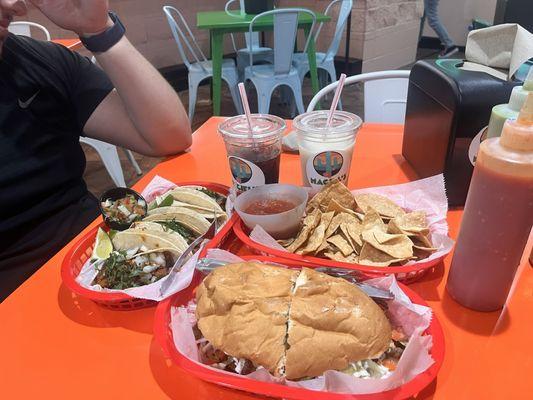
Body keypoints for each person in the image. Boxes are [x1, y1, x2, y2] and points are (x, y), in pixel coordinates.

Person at [0, 0, 193, 301]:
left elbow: (169, 137)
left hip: (104, 263)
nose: (14, 4)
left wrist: (99, 31)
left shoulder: (38, 63)